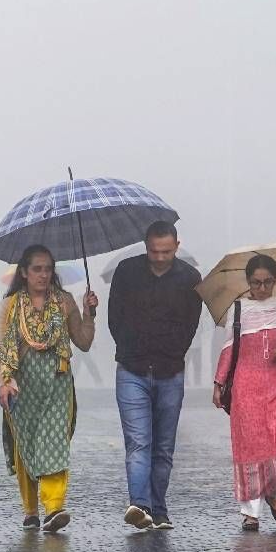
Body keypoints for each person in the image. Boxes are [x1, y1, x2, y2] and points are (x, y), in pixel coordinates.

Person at [0, 245, 98, 533]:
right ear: (24, 272)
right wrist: (3, 382)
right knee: (26, 444)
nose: (43, 275)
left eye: (48, 269)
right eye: (37, 269)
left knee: (53, 441)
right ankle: (30, 510)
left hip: (57, 383)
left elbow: (84, 342)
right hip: (21, 385)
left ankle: (54, 507)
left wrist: (89, 313)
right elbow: (1, 348)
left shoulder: (64, 301)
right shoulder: (10, 305)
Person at [108, 221, 203, 531]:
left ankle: (159, 509)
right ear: (145, 246)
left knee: (163, 447)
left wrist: (173, 351)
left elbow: (191, 324)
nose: (160, 258)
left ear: (177, 246)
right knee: (138, 442)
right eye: (154, 252)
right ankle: (140, 505)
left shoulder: (190, 279)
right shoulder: (127, 272)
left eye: (166, 252)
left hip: (170, 371)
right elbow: (114, 317)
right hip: (132, 369)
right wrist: (129, 345)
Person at [212, 254, 276, 532]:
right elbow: (229, 349)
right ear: (248, 282)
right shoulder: (238, 309)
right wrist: (218, 383)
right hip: (246, 388)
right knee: (251, 448)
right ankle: (250, 513)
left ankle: (274, 494)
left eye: (267, 282)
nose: (262, 288)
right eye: (255, 283)